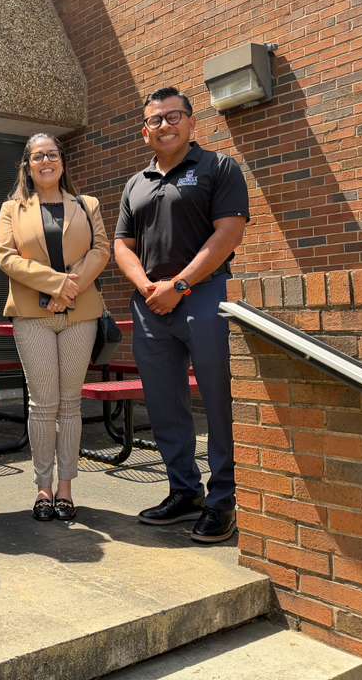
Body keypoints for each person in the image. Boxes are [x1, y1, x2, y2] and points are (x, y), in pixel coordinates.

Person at [113, 86, 248, 544]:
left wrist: (180, 285)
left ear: (192, 122)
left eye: (174, 116)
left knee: (218, 400)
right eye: (155, 119)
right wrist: (147, 287)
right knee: (164, 402)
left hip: (206, 297)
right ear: (144, 131)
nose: (164, 125)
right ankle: (184, 491)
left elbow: (228, 233)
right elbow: (122, 245)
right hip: (151, 305)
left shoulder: (218, 167)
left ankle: (223, 499)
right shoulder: (136, 184)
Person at [0, 134, 110, 521]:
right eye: (38, 156)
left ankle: (66, 488)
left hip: (80, 314)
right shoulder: (11, 209)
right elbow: (6, 257)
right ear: (27, 165)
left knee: (70, 403)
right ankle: (43, 487)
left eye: (52, 155)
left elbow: (101, 250)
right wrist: (57, 284)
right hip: (33, 315)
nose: (46, 161)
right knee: (43, 404)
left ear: (62, 161)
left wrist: (69, 288)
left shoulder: (87, 205)